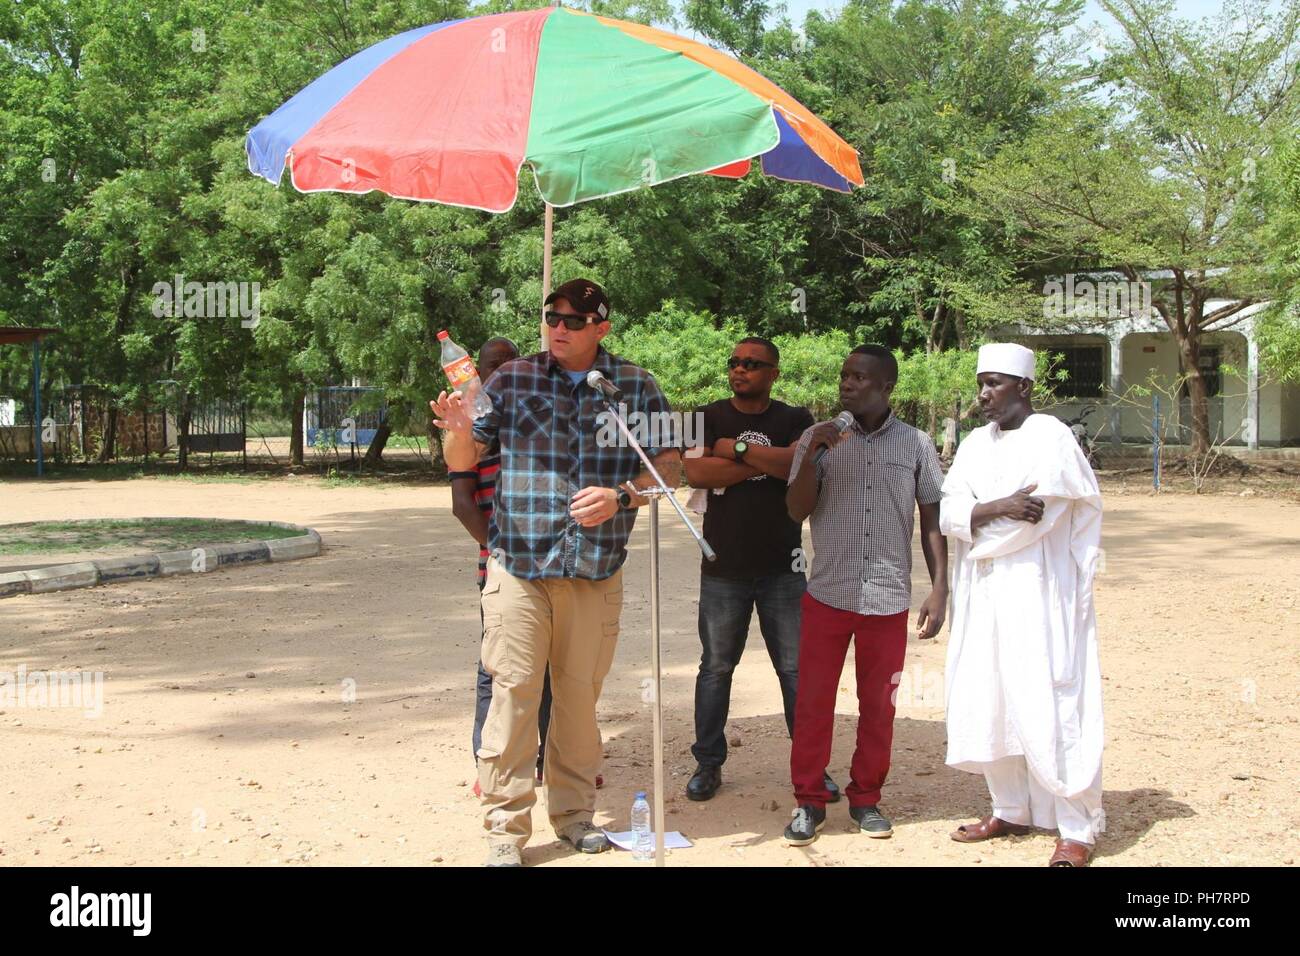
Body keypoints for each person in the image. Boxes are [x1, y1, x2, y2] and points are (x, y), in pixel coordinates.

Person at [432, 278, 682, 867]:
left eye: (573, 319)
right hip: (518, 563)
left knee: (578, 699)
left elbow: (670, 465)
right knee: (516, 694)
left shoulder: (634, 386)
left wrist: (623, 496)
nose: (559, 327)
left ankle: (573, 816)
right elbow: (464, 463)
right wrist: (459, 430)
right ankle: (505, 827)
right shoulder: (511, 378)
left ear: (602, 327)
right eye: (552, 317)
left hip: (595, 569)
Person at [941, 342, 1104, 867]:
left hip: (1038, 587)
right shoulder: (972, 444)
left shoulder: (1051, 437)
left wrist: (980, 516)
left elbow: (1041, 514)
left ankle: (1076, 826)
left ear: (1024, 387)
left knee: (1049, 698)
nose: (983, 395)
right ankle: (1009, 808)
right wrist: (998, 505)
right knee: (990, 695)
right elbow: (949, 510)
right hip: (983, 590)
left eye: (994, 383)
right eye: (980, 383)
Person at [782, 345, 948, 845]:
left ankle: (866, 798)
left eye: (859, 377)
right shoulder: (817, 438)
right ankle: (808, 801)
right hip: (828, 595)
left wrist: (940, 586)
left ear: (886, 387)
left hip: (887, 598)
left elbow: (933, 521)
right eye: (844, 375)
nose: (847, 384)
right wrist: (812, 454)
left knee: (880, 705)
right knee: (813, 703)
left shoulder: (917, 444)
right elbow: (795, 509)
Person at [681, 337, 840, 804]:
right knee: (715, 669)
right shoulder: (703, 417)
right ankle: (708, 764)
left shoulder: (796, 420)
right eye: (734, 362)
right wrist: (756, 460)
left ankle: (810, 769)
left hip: (783, 568)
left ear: (774, 372)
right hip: (722, 566)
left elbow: (798, 463)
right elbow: (696, 474)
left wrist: (734, 450)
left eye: (752, 364)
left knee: (795, 671)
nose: (740, 369)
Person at [447, 337, 554, 798]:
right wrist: (502, 552)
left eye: (514, 361)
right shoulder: (469, 423)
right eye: (495, 364)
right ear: (476, 370)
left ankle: (553, 761)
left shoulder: (535, 413)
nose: (506, 369)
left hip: (553, 563)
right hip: (500, 566)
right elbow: (461, 504)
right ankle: (487, 764)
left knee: (552, 669)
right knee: (497, 668)